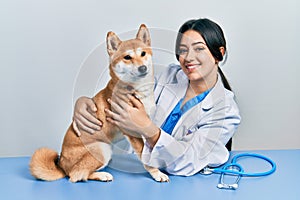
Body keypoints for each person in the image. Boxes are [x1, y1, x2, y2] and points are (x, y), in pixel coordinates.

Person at [72, 18, 241, 176]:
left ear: (219, 53)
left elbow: (189, 161)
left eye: (199, 48)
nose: (188, 57)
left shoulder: (225, 110)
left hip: (180, 184)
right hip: (136, 171)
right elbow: (123, 94)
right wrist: (85, 103)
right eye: (183, 50)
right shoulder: (170, 75)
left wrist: (147, 128)